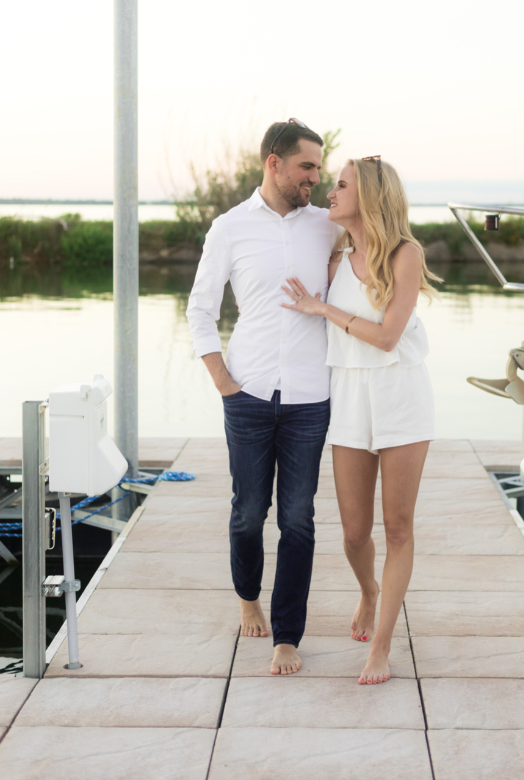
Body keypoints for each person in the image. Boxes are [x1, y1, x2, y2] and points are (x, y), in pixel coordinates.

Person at [186, 119, 341, 676]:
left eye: (320, 170)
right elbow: (200, 309)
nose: (315, 179)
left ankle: (287, 636)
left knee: (298, 518)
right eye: (306, 167)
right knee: (250, 513)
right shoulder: (228, 228)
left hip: (309, 399)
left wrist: (367, 175)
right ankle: (247, 594)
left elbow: (381, 228)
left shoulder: (328, 225)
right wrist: (223, 380)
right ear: (274, 163)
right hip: (247, 393)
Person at [282, 156, 437, 685]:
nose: (330, 190)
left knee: (397, 527)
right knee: (352, 532)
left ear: (367, 195)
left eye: (341, 184)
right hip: (347, 396)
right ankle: (369, 589)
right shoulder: (334, 259)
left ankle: (383, 647)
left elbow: (389, 336)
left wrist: (327, 312)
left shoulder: (405, 254)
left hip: (400, 397)